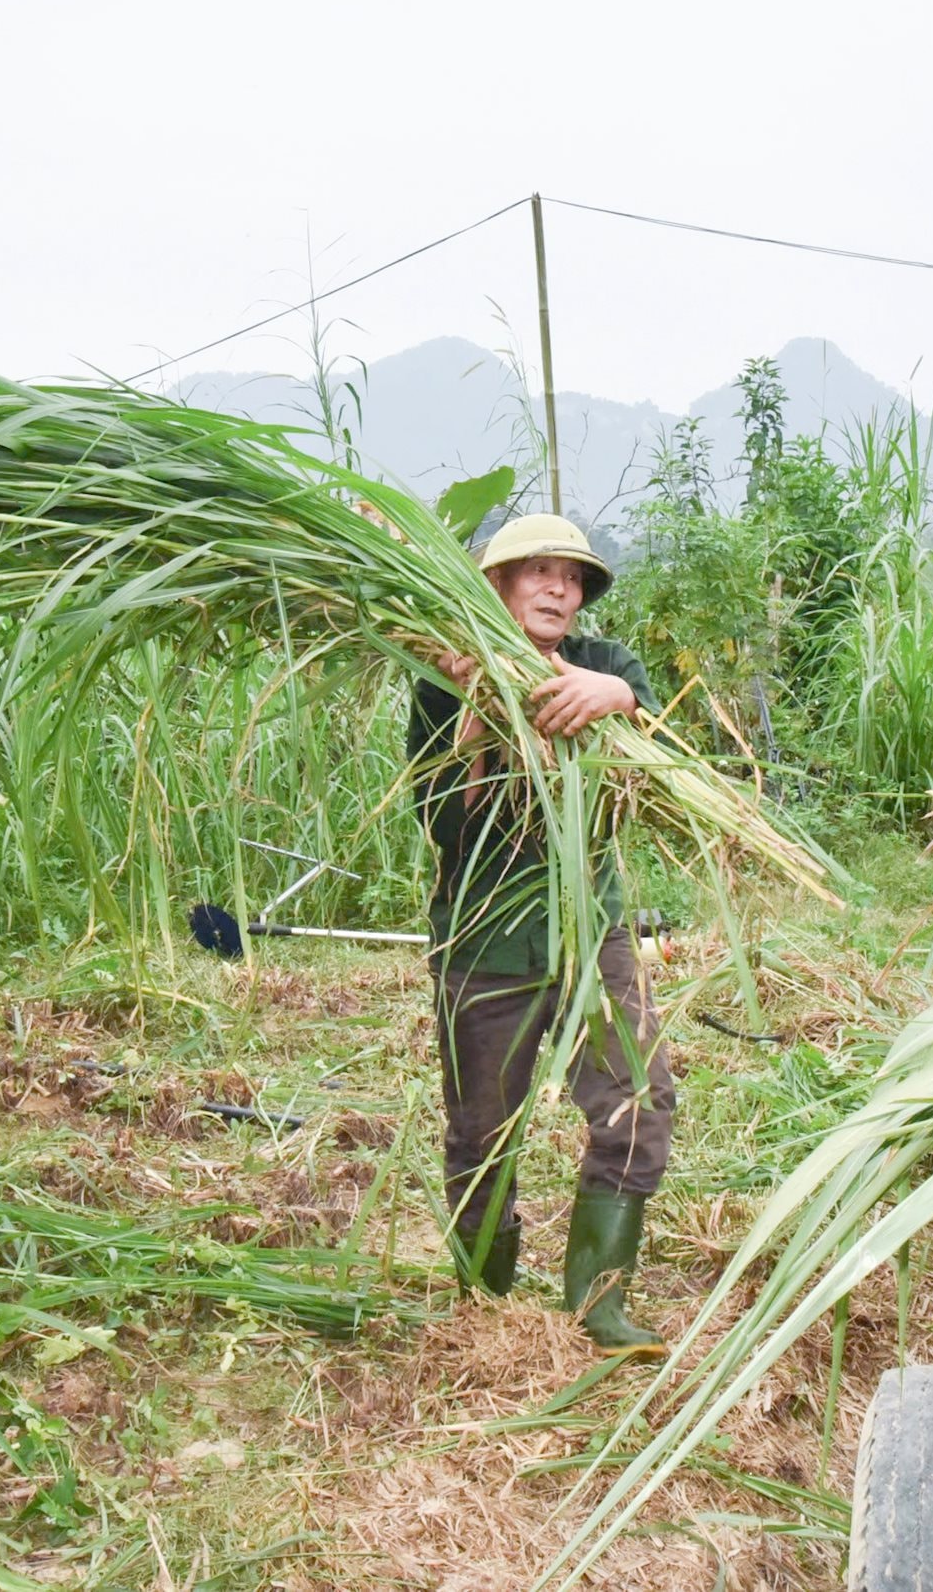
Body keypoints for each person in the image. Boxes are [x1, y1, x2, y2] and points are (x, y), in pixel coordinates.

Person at [406, 513, 675, 1356]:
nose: (559, 586)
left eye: (572, 574)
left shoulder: (603, 664)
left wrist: (621, 698)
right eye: (537, 571)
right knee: (481, 1129)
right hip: (486, 939)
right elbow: (445, 825)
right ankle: (483, 1296)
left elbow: (664, 739)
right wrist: (480, 717)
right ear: (495, 585)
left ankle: (602, 1301)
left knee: (639, 1097)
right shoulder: (440, 682)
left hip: (590, 930)